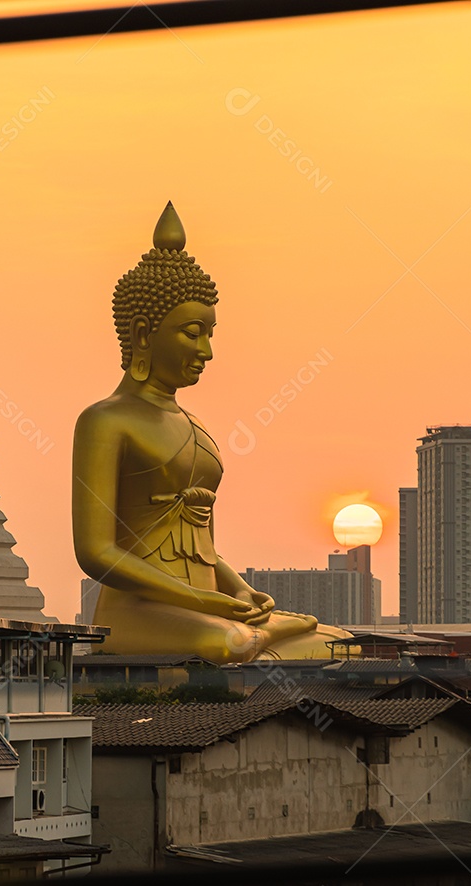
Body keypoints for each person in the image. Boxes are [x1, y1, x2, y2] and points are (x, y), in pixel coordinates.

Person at [72, 203, 352, 662]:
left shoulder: (194, 426)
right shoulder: (105, 420)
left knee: (342, 644)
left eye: (210, 334)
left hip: (213, 608)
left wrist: (240, 592)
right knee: (228, 641)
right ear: (143, 332)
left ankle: (262, 632)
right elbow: (96, 551)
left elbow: (204, 548)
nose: (207, 350)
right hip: (139, 611)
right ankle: (258, 635)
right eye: (192, 333)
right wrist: (202, 602)